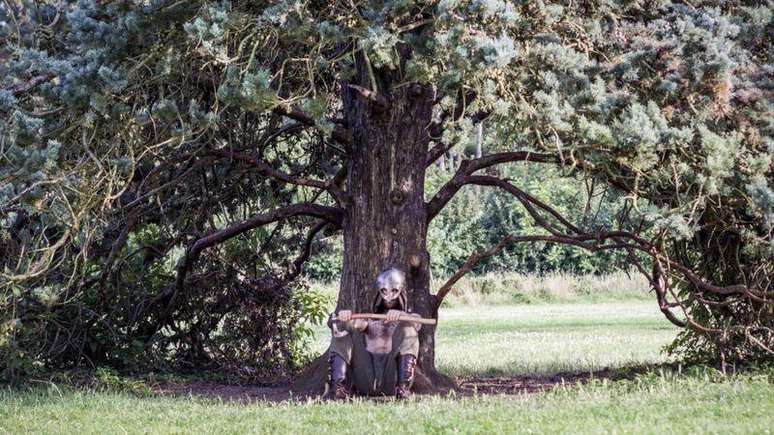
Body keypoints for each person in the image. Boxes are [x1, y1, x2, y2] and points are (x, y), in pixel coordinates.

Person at [326, 267, 421, 399]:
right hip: (364, 377)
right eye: (384, 291)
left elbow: (417, 322)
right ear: (378, 292)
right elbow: (341, 324)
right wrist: (345, 318)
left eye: (394, 290)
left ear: (402, 292)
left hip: (391, 380)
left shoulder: (408, 319)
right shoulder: (368, 320)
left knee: (408, 328)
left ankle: (403, 389)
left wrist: (402, 315)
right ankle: (338, 388)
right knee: (343, 327)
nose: (389, 297)